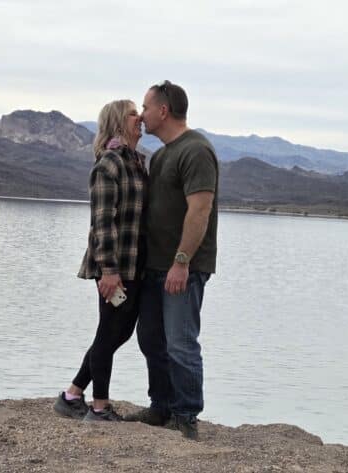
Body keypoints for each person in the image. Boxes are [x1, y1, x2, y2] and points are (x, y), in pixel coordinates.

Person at [124, 81, 218, 440]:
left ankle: (186, 414)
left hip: (184, 267)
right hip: (154, 265)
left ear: (163, 111)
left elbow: (200, 210)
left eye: (146, 108)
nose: (142, 115)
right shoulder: (161, 155)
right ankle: (161, 405)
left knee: (180, 342)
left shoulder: (196, 151)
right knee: (150, 338)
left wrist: (182, 261)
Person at [53, 99, 148, 421]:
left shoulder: (136, 161)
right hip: (114, 266)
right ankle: (99, 406)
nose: (141, 118)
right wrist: (109, 271)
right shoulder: (109, 163)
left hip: (134, 264)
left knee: (119, 333)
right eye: (134, 113)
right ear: (119, 121)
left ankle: (72, 394)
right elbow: (103, 221)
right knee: (109, 332)